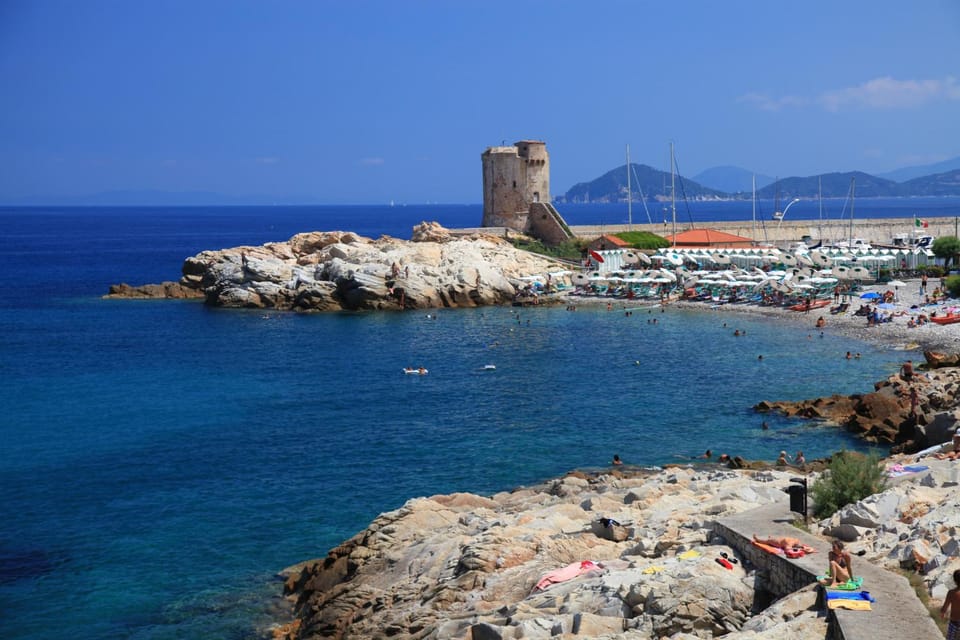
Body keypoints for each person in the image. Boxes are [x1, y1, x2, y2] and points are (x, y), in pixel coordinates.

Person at [940, 569, 960, 640]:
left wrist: (942, 613)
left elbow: (944, 608)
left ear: (955, 581)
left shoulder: (951, 593)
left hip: (954, 623)